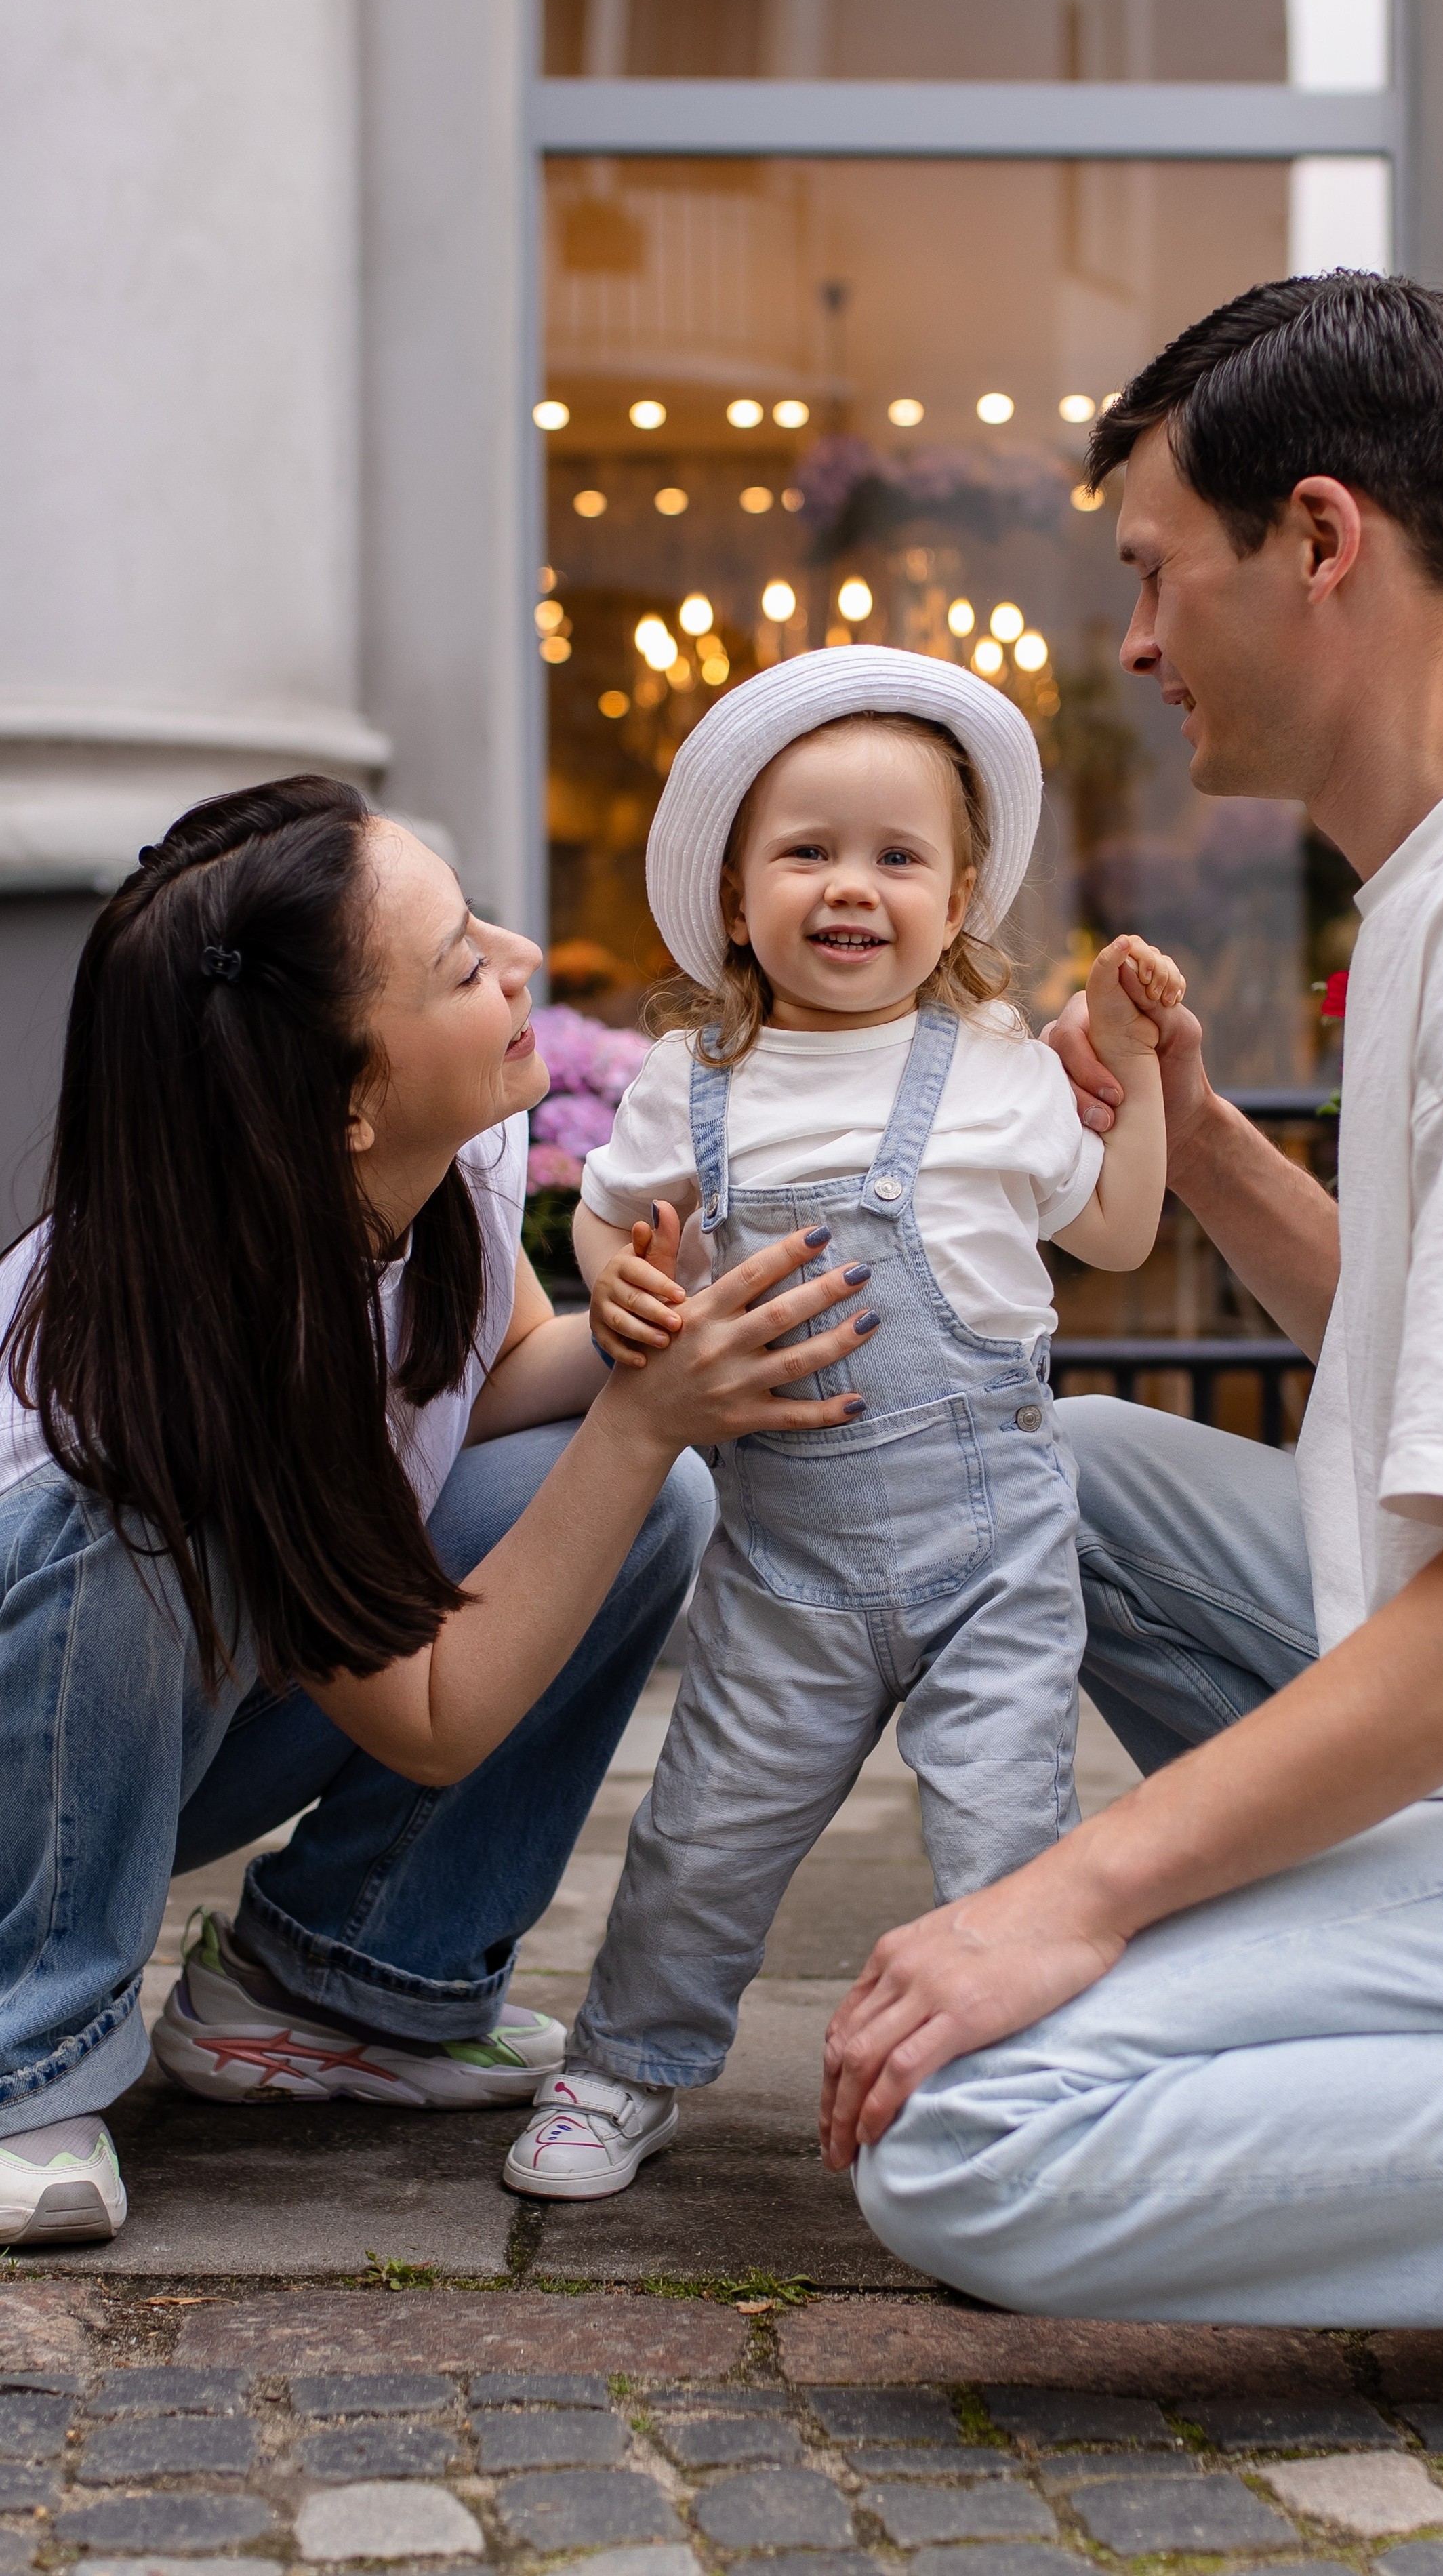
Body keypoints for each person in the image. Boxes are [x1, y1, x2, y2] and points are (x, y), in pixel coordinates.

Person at [819, 272, 1443, 2331]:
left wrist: (1070, 1899)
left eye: (1156, 575)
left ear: (1321, 539)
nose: (1135, 645)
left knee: (969, 2139)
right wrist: (1205, 1140)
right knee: (1066, 1468)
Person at [0, 773, 876, 2247]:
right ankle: (29, 2054)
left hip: (189, 1719)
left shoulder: (441, 1164)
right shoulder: (194, 1332)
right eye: (464, 964)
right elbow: (432, 1718)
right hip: (39, 1743)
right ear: (349, 1098)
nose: (522, 958)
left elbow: (496, 1380)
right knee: (130, 1520)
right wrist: (649, 1410)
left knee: (632, 1499)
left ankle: (342, 1983)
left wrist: (638, 1334)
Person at [501, 646, 1182, 2202]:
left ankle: (1019, 2090)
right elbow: (613, 1223)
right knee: (701, 1836)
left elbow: (1125, 1234)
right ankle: (625, 2068)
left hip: (993, 1560)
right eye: (806, 853)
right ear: (737, 896)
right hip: (784, 1564)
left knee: (1009, 1832)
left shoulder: (1003, 1075)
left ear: (956, 901)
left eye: (896, 857)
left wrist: (1133, 1072)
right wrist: (626, 1300)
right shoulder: (695, 1078)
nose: (850, 888)